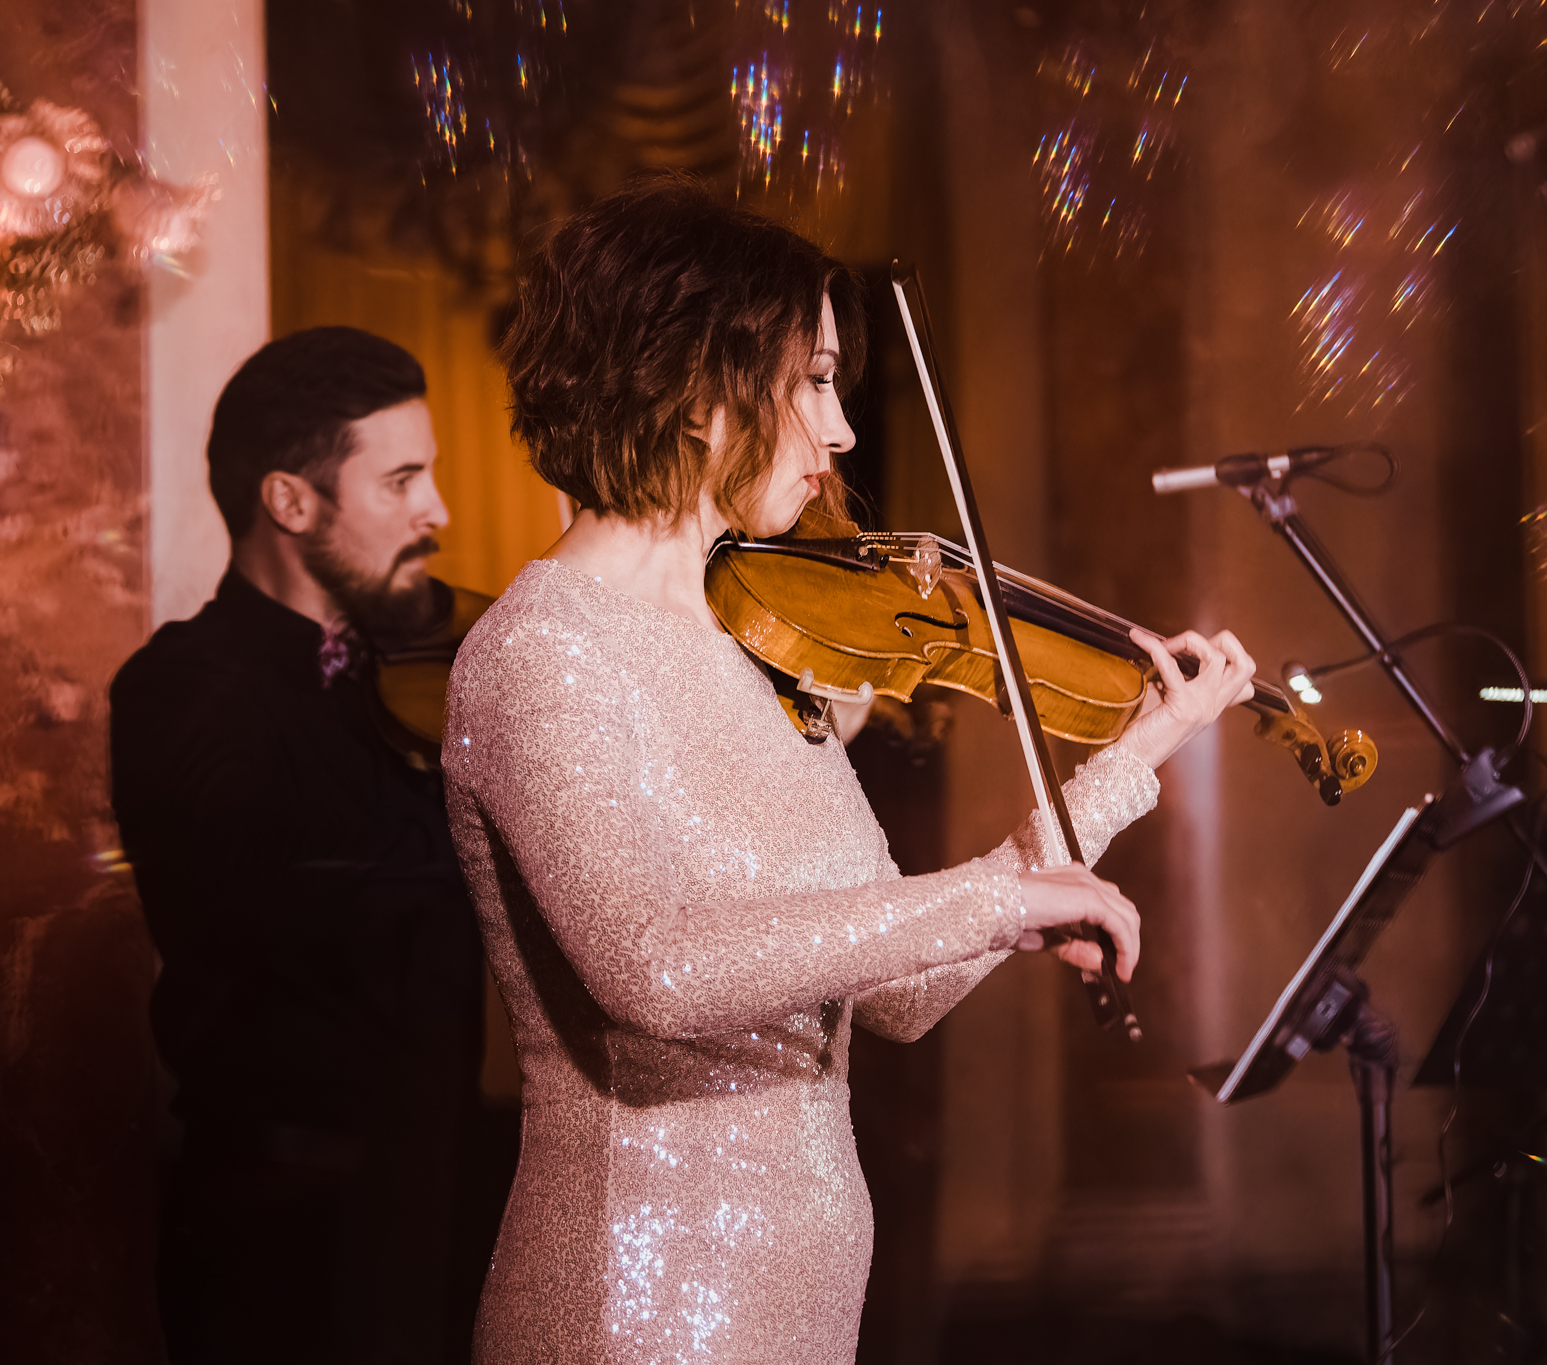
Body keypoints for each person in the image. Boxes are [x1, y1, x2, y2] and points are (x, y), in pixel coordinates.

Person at [440, 176, 1257, 1363]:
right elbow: (657, 972)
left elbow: (899, 996)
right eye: (814, 381)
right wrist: (998, 902)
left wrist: (1132, 758)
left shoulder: (762, 651)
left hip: (805, 1306)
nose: (842, 433)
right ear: (694, 388)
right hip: (638, 1309)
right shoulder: (541, 652)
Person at [110, 327, 501, 1364]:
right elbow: (330, 904)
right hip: (286, 1229)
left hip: (443, 1189)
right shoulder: (181, 691)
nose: (437, 512)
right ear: (290, 502)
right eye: (401, 481)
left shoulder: (415, 662)